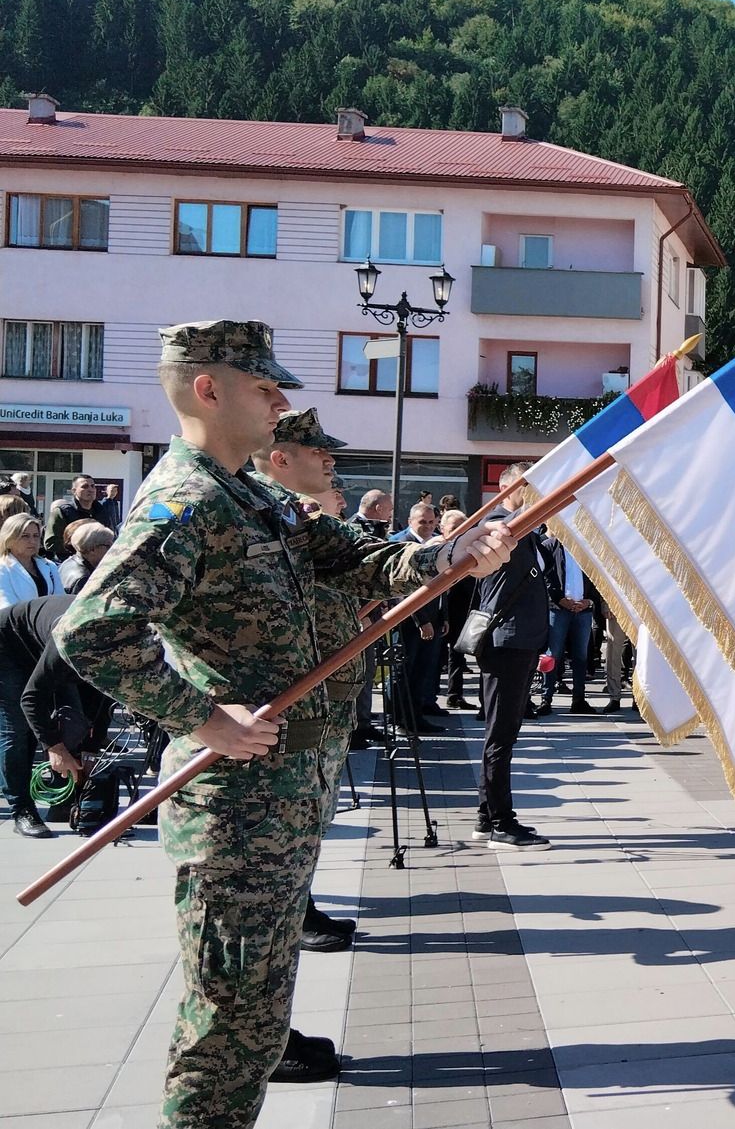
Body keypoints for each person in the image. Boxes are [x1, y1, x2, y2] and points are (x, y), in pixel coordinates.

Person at [52, 319, 513, 1127]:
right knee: (227, 1027)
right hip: (234, 808)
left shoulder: (254, 496)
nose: (280, 404)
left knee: (259, 1018)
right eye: (264, 388)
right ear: (208, 389)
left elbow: (356, 556)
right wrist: (201, 717)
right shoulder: (185, 503)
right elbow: (92, 630)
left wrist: (451, 555)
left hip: (284, 795)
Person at [250, 408, 374, 959]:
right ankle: (292, 914)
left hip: (329, 699)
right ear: (280, 458)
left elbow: (363, 573)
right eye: (318, 451)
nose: (330, 461)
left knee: (314, 817)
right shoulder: (266, 519)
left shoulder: (300, 521)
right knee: (286, 828)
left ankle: (301, 904)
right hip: (287, 706)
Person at [469, 464, 553, 849]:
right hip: (506, 644)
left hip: (521, 643)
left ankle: (487, 817)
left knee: (503, 734)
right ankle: (502, 823)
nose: (535, 492)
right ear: (505, 488)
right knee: (500, 736)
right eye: (527, 485)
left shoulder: (527, 532)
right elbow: (502, 531)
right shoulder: (500, 527)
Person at [1, 595, 91, 837]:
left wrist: (91, 749)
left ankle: (64, 802)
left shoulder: (123, 640)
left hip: (44, 647)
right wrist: (55, 747)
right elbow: (31, 699)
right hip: (6, 645)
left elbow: (101, 700)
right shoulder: (72, 633)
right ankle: (22, 810)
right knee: (16, 730)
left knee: (75, 720)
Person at [392, 502, 449, 732]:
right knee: (405, 671)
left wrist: (443, 616)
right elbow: (403, 589)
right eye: (422, 522)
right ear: (410, 522)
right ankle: (401, 720)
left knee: (423, 670)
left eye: (431, 522)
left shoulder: (437, 544)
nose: (427, 526)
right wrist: (422, 621)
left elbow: (443, 584)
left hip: (434, 618)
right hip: (410, 622)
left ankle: (416, 717)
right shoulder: (401, 543)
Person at [538, 528, 596, 715]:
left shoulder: (588, 548)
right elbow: (544, 578)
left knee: (581, 656)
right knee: (552, 655)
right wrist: (559, 599)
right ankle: (546, 699)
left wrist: (589, 601)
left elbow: (597, 579)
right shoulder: (549, 546)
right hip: (558, 609)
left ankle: (579, 700)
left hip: (583, 610)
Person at [438, 509, 478, 710]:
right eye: (455, 528)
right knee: (436, 656)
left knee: (457, 654)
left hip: (464, 609)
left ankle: (454, 694)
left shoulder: (470, 551)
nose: (460, 532)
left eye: (464, 528)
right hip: (440, 611)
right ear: (443, 528)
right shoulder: (437, 548)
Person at [43, 475, 121, 559]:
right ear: (74, 491)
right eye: (85, 487)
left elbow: (111, 537)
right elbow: (50, 543)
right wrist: (80, 546)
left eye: (92, 486)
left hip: (99, 562)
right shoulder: (63, 512)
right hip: (72, 561)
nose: (90, 490)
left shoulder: (102, 511)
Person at [0, 515, 63, 606]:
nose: (32, 541)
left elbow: (60, 600)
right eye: (25, 536)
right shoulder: (3, 569)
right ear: (9, 539)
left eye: (36, 536)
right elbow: (6, 606)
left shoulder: (50, 566)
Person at [57, 521, 116, 593]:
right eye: (108, 546)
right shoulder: (84, 580)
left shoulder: (68, 562)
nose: (113, 549)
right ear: (92, 549)